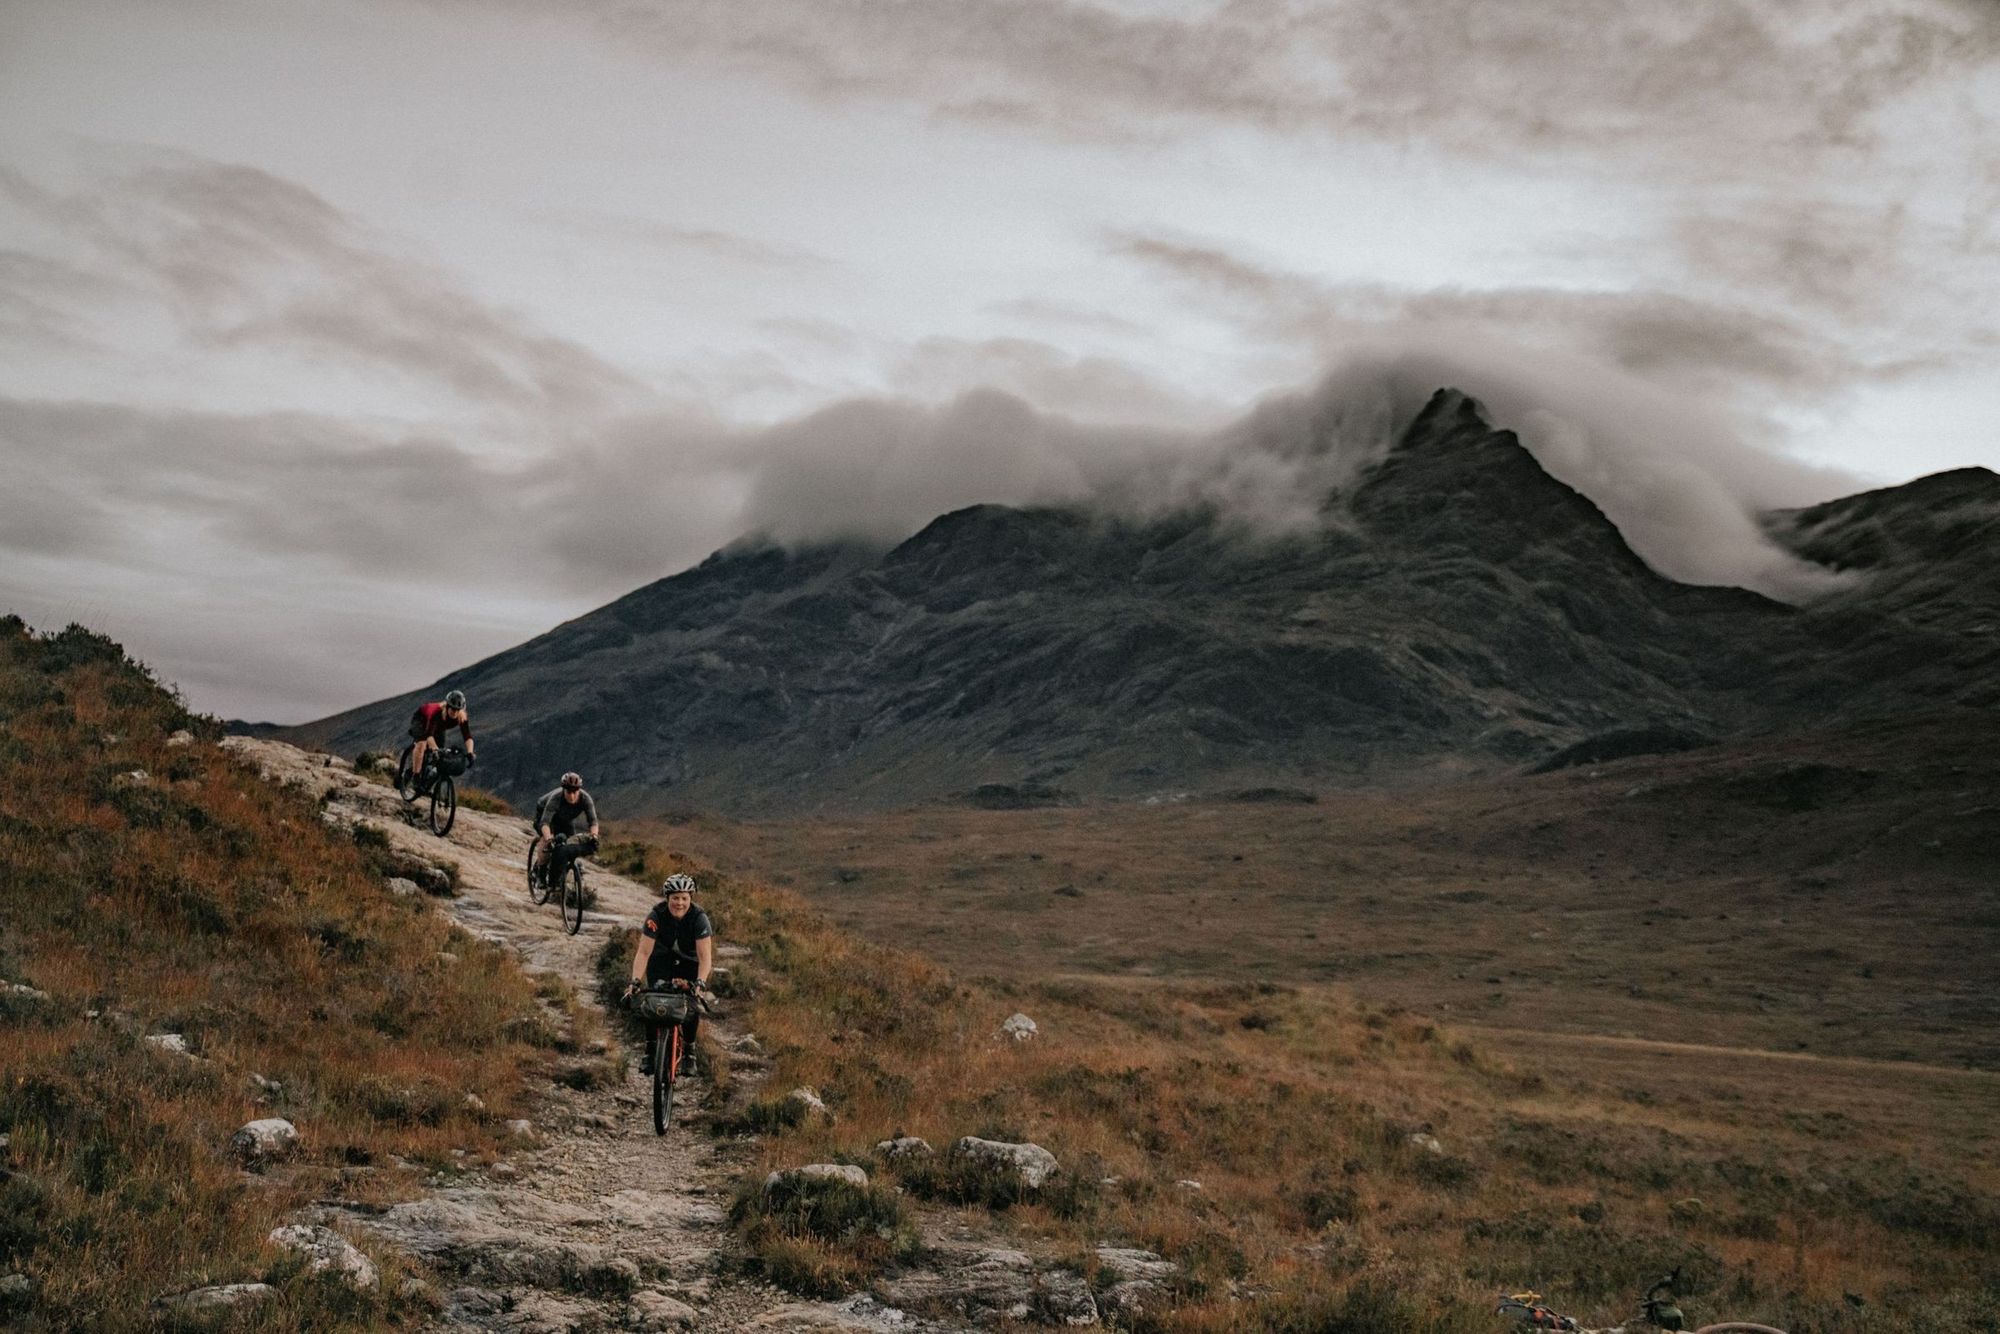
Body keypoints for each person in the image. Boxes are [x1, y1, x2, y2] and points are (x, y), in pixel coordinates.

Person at [623, 874, 712, 1077]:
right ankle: (650, 1049)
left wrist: (700, 983)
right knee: (652, 1000)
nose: (679, 903)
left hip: (690, 964)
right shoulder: (656, 915)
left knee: (691, 1003)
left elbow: (705, 957)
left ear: (690, 898)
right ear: (667, 897)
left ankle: (690, 1050)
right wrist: (635, 980)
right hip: (661, 962)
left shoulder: (699, 918)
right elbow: (643, 952)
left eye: (684, 898)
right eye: (675, 898)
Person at [532, 772, 600, 885]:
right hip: (545, 816)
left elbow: (593, 822)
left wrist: (594, 836)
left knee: (570, 841)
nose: (572, 795)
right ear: (564, 790)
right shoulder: (556, 798)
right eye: (569, 792)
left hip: (565, 819)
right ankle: (540, 871)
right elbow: (545, 823)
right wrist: (549, 839)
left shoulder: (586, 799)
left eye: (575, 792)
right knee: (547, 840)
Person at [405, 689, 473, 794]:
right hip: (421, 720)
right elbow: (429, 735)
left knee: (441, 754)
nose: (455, 712)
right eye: (452, 709)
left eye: (457, 710)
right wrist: (435, 748)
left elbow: (467, 736)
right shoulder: (437, 712)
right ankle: (416, 777)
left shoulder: (461, 716)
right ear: (447, 707)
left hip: (438, 728)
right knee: (422, 744)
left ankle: (427, 783)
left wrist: (470, 752)